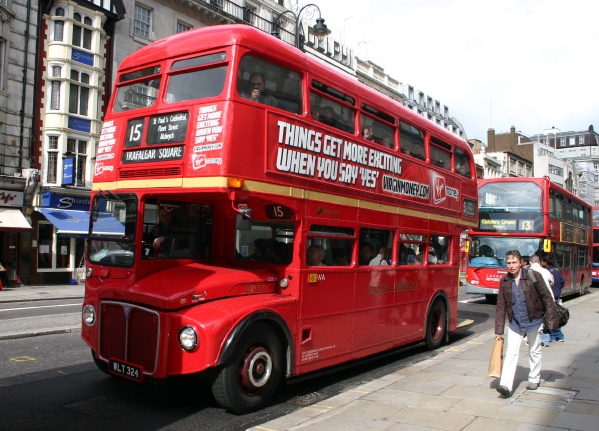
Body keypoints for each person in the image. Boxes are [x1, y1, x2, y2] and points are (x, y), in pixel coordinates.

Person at [494, 249, 559, 398]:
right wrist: (498, 328)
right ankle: (506, 385)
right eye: (508, 263)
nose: (511, 266)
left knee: (534, 350)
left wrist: (551, 320)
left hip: (534, 320)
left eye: (514, 262)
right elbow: (501, 306)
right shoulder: (504, 281)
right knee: (511, 353)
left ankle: (534, 378)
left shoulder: (533, 276)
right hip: (515, 323)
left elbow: (547, 298)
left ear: (521, 262)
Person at [541, 255, 566, 342]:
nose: (541, 263)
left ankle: (551, 337)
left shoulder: (544, 272)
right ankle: (559, 336)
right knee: (557, 316)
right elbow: (562, 282)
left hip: (549, 298)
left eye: (542, 261)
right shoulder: (556, 271)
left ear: (545, 262)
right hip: (557, 296)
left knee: (549, 318)